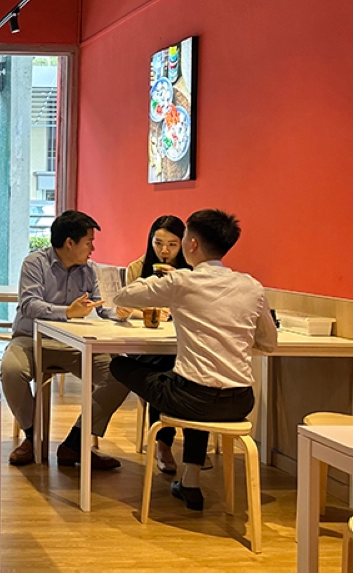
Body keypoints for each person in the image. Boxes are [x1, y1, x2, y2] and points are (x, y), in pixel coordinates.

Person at [111, 209, 277, 511]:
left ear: (192, 244)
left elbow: (123, 297)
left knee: (120, 365)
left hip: (190, 397)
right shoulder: (252, 286)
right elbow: (268, 341)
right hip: (240, 401)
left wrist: (168, 282)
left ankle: (166, 446)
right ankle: (190, 482)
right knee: (192, 383)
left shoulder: (182, 282)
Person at [0, 210, 130, 469]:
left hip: (74, 343)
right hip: (31, 339)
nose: (93, 248)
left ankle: (76, 442)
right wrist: (67, 312)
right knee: (11, 371)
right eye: (89, 241)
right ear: (69, 243)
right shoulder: (35, 263)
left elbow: (104, 307)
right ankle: (32, 435)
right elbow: (29, 305)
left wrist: (121, 312)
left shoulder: (90, 270)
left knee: (119, 374)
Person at [124, 215, 191, 475]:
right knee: (166, 368)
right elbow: (127, 307)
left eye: (172, 244)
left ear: (183, 244)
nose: (164, 251)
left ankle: (190, 440)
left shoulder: (191, 273)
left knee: (183, 366)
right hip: (144, 346)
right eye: (158, 242)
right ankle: (165, 444)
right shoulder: (137, 268)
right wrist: (146, 312)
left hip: (180, 345)